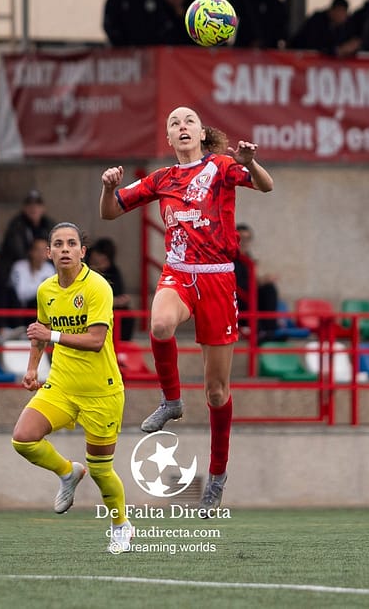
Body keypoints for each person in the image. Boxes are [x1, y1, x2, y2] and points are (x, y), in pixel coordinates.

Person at [99, 105, 274, 514]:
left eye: (188, 121)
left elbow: (265, 186)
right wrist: (108, 188)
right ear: (168, 137)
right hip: (178, 273)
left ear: (201, 133)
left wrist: (251, 162)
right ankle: (171, 401)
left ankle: (217, 475)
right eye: (174, 123)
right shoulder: (162, 178)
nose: (181, 126)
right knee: (160, 324)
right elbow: (109, 212)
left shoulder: (222, 166)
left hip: (218, 279)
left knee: (216, 391)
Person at [10, 221, 133, 553]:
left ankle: (121, 524)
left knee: (101, 471)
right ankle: (67, 472)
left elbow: (96, 341)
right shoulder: (46, 290)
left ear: (83, 251)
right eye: (58, 244)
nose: (65, 249)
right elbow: (40, 332)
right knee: (23, 439)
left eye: (71, 244)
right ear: (48, 253)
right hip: (62, 385)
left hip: (101, 391)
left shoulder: (98, 287)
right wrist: (32, 368)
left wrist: (50, 335)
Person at [233, 223, 280, 341]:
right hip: (237, 301)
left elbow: (250, 281)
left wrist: (262, 280)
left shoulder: (248, 257)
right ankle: (263, 330)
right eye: (241, 238)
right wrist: (260, 281)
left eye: (247, 239)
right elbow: (239, 284)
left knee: (269, 289)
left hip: (249, 298)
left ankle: (269, 330)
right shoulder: (231, 258)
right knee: (266, 290)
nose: (244, 242)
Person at [86, 237, 135, 341]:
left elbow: (118, 292)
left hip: (110, 307)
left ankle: (122, 344)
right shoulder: (85, 271)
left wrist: (120, 301)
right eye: (97, 259)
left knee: (127, 315)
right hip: (90, 306)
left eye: (105, 260)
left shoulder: (114, 272)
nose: (100, 262)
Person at [0, 188, 56, 271]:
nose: (34, 208)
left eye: (37, 205)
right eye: (30, 205)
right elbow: (16, 251)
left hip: (45, 264)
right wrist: (35, 257)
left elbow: (55, 248)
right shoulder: (17, 225)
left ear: (43, 208)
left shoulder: (49, 224)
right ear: (24, 208)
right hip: (21, 265)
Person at [288, 0, 360, 56]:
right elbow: (314, 45)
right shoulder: (317, 21)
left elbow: (352, 41)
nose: (342, 17)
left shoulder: (346, 25)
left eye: (345, 13)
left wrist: (351, 46)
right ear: (332, 11)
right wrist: (337, 50)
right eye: (340, 12)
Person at [10, 235, 55, 310]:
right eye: (38, 250)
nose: (41, 254)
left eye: (44, 250)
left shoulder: (50, 269)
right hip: (19, 308)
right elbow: (20, 294)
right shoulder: (19, 267)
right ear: (30, 251)